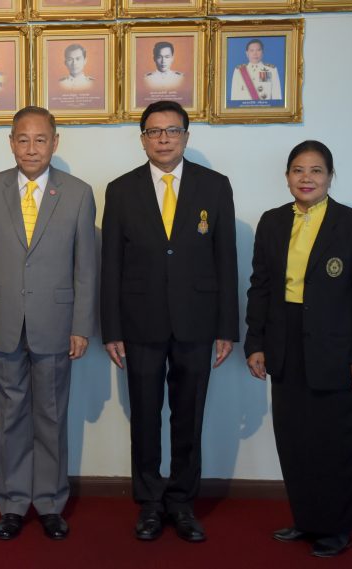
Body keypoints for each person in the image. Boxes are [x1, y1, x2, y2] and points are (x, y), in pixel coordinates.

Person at [101, 100, 238, 543]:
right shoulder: (121, 190)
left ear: (186, 136)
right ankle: (149, 503)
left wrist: (227, 327)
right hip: (139, 323)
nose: (163, 139)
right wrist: (111, 328)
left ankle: (181, 501)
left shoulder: (214, 186)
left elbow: (226, 258)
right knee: (144, 416)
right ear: (142, 139)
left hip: (197, 321)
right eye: (154, 131)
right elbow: (111, 264)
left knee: (188, 415)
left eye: (172, 131)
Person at [244, 140, 352, 558]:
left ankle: (336, 527)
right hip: (285, 342)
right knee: (295, 439)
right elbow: (260, 287)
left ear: (330, 176)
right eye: (298, 170)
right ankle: (306, 518)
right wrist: (256, 342)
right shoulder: (272, 222)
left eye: (316, 170)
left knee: (334, 442)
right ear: (287, 176)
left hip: (335, 346)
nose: (306, 178)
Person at [0, 106, 97, 541]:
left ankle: (50, 503)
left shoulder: (78, 193)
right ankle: (12, 503)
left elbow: (85, 268)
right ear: (11, 142)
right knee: (10, 418)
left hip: (57, 322)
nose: (31, 148)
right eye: (22, 139)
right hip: (2, 321)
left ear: (55, 142)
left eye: (40, 139)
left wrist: (81, 326)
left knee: (52, 416)